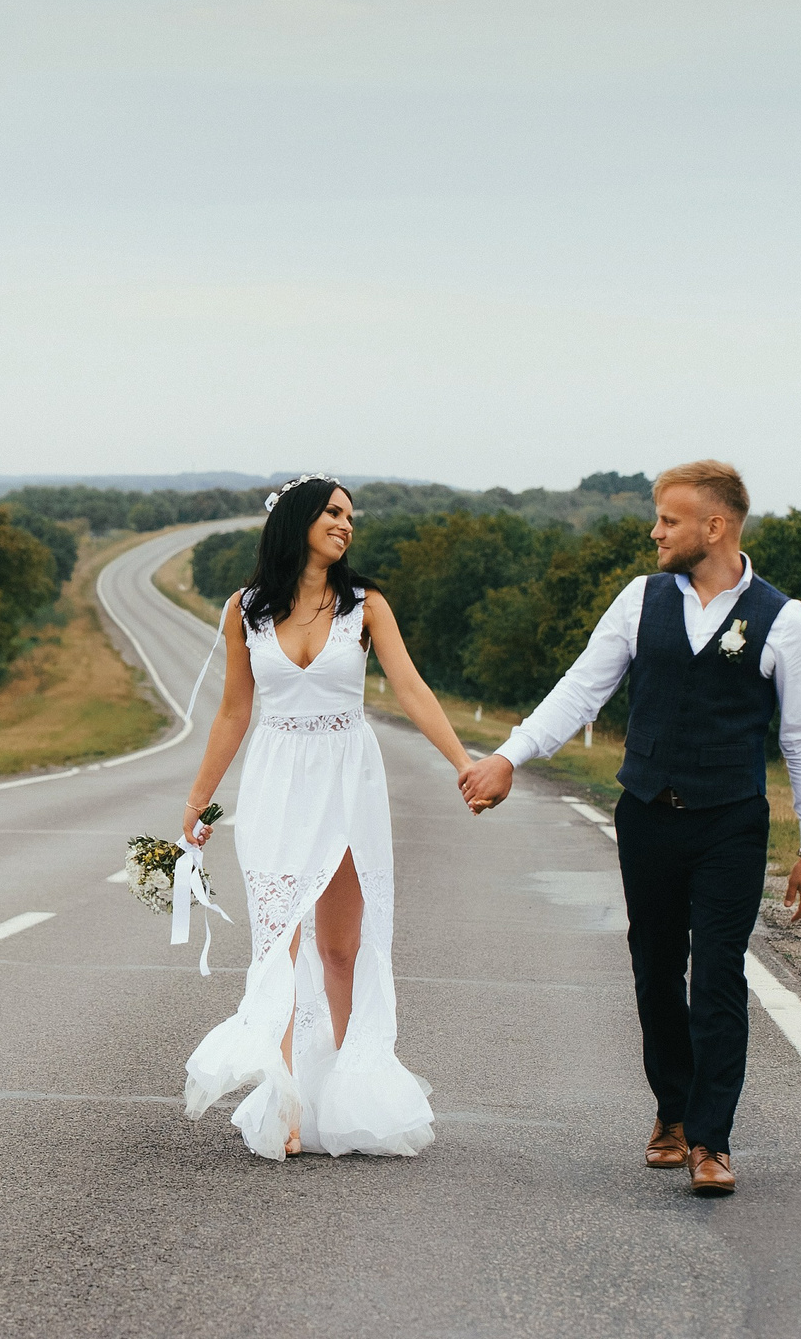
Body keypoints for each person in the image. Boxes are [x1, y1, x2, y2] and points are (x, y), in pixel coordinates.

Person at [457, 460, 801, 1197]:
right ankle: (672, 1112)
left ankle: (712, 1141)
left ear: (714, 527)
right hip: (647, 816)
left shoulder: (783, 618)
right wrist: (509, 757)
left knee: (718, 973)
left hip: (731, 822)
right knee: (655, 967)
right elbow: (580, 690)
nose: (654, 531)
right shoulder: (641, 600)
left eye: (669, 519)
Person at [178, 474, 477, 1159]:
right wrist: (200, 800)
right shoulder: (246, 609)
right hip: (278, 781)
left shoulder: (366, 606)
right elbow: (233, 712)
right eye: (334, 512)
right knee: (276, 939)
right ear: (298, 520)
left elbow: (411, 689)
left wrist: (463, 762)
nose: (347, 523)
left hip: (349, 780)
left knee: (342, 948)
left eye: (351, 514)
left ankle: (349, 1094)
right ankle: (283, 1104)